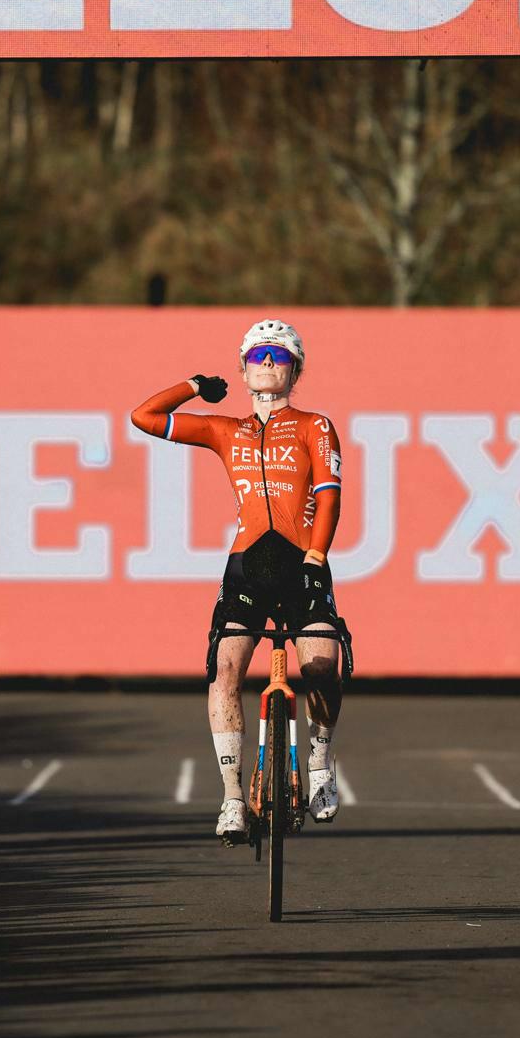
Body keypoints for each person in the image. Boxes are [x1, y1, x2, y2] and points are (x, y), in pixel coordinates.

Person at [131, 319, 346, 844]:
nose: (268, 362)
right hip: (248, 564)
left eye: (279, 355)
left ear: (295, 370)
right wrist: (193, 386)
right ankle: (232, 797)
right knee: (224, 670)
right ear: (244, 371)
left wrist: (317, 556)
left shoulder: (315, 425)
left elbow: (330, 496)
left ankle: (320, 764)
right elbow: (144, 417)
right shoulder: (226, 430)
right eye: (258, 356)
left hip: (303, 562)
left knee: (322, 666)